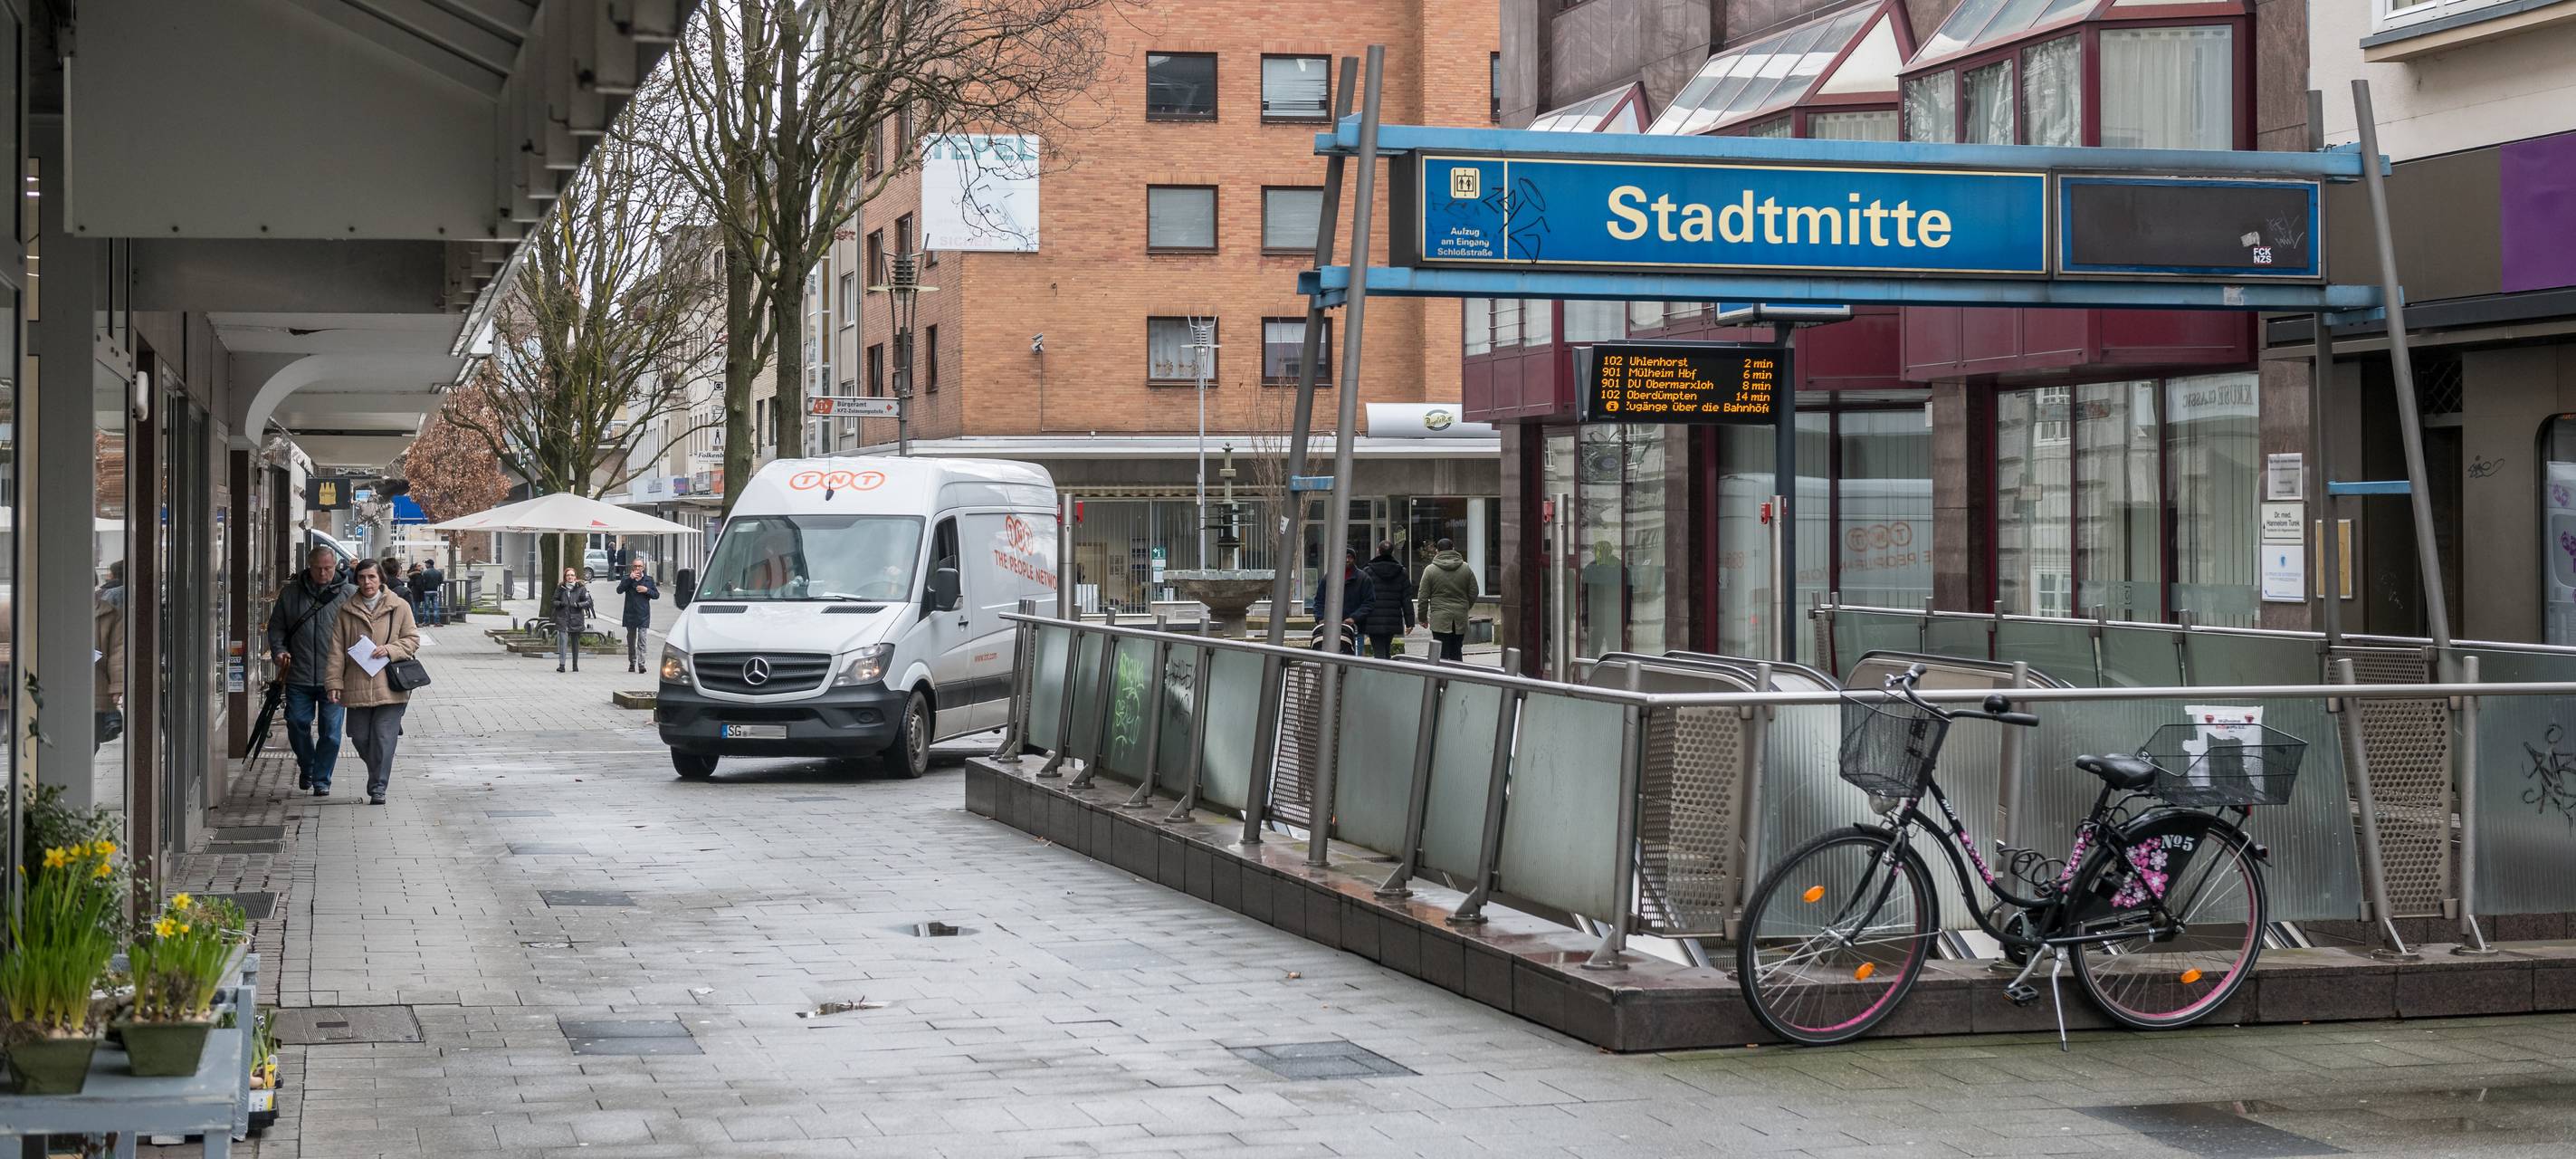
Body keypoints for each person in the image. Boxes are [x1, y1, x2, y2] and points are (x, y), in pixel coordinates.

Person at [325, 558, 421, 806]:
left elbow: (412, 639)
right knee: (359, 737)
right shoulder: (346, 610)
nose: (367, 582)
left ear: (381, 579)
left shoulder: (399, 606)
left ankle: (378, 787)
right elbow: (336, 650)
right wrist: (333, 683)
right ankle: (378, 768)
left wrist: (390, 649)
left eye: (372, 577)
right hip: (356, 683)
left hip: (390, 685)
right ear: (356, 580)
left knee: (383, 737)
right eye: (362, 577)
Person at [266, 546, 353, 793]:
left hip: (334, 677)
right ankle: (309, 766)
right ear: (309, 566)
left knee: (331, 733)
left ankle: (321, 780)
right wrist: (279, 650)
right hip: (298, 674)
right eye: (318, 569)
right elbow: (276, 627)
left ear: (335, 566)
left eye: (328, 568)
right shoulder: (291, 593)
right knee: (296, 723)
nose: (323, 573)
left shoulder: (349, 594)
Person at [1416, 537, 1479, 662]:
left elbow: (1423, 597)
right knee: (1456, 651)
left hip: (1439, 620)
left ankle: (1441, 674)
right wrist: (1465, 607)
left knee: (1441, 654)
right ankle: (1457, 673)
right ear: (1453, 549)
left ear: (1437, 551)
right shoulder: (1465, 568)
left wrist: (1422, 618)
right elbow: (1474, 591)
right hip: (1460, 618)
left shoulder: (1430, 570)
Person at [1305, 547, 1373, 655]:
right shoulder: (1328, 578)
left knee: (1355, 658)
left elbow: (1369, 603)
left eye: (1349, 557)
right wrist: (1320, 618)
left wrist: (1354, 618)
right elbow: (1319, 601)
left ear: (1354, 559)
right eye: (1344, 557)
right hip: (1330, 629)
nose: (1347, 560)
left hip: (1355, 629)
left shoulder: (1363, 579)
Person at [1359, 540, 1415, 659]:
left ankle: (1382, 670)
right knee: (1386, 649)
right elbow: (1406, 599)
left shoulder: (1368, 572)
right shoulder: (1401, 572)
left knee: (1379, 651)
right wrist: (1410, 622)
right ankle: (1387, 668)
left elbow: (1361, 597)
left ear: (1378, 551)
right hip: (1392, 617)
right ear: (1392, 552)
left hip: (1373, 618)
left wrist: (1358, 617)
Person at [94, 561, 128, 751]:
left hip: (96, 685)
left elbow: (117, 651)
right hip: (79, 684)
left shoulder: (108, 611)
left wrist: (117, 685)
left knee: (91, 741)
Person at [615, 559, 659, 673]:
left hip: (643, 614)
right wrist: (630, 579)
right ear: (632, 567)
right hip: (630, 613)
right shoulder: (627, 578)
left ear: (643, 568)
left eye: (640, 566)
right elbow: (619, 590)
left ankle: (641, 664)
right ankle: (632, 662)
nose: (638, 568)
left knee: (642, 639)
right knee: (631, 639)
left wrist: (647, 590)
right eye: (635, 566)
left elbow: (656, 595)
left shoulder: (648, 580)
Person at [551, 566, 595, 673]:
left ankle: (575, 665)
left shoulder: (581, 588)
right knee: (563, 642)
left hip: (576, 619)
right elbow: (554, 601)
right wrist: (560, 603)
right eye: (568, 575)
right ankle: (562, 665)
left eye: (572, 575)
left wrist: (578, 605)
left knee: (575, 643)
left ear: (575, 577)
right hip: (563, 619)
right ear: (565, 577)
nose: (570, 577)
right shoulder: (561, 588)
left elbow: (588, 602)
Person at [413, 560, 445, 626]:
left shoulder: (425, 572)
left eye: (426, 564)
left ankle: (426, 622)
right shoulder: (438, 572)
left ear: (429, 564)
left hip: (426, 592)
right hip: (435, 591)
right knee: (436, 607)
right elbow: (440, 582)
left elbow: (422, 582)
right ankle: (437, 622)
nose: (425, 565)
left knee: (426, 608)